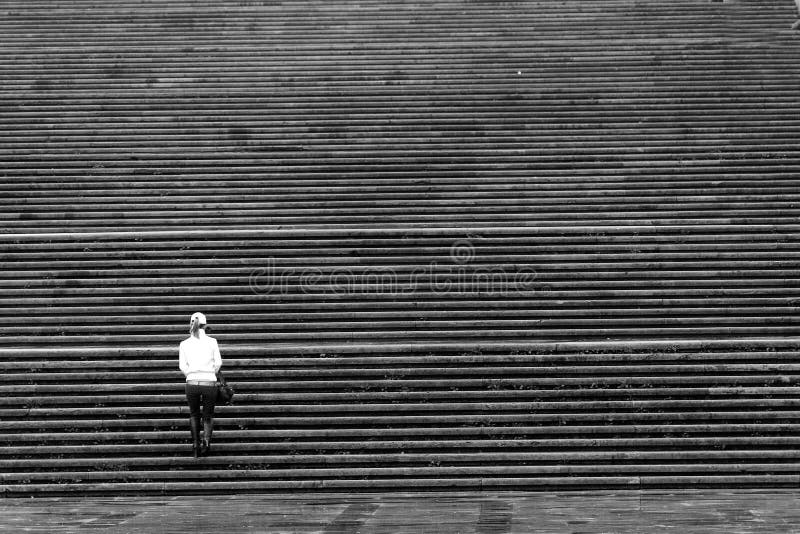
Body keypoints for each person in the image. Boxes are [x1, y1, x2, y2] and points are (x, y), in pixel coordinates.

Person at [179, 312, 222, 457]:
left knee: (194, 414)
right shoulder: (212, 342)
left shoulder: (184, 344)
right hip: (209, 383)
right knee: (208, 415)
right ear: (205, 325)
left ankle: (196, 443)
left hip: (191, 383)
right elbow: (218, 363)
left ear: (191, 324)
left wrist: (190, 375)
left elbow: (182, 366)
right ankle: (207, 442)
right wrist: (210, 374)